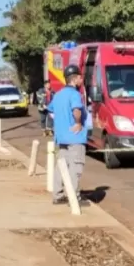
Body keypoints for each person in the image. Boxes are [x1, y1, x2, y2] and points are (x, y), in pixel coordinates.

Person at [50, 65, 88, 205]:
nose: (81, 79)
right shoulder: (75, 94)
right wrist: (77, 123)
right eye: (80, 77)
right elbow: (76, 110)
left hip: (61, 137)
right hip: (75, 137)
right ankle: (74, 197)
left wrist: (61, 125)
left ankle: (58, 195)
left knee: (61, 166)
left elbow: (51, 111)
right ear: (75, 78)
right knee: (75, 167)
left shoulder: (58, 94)